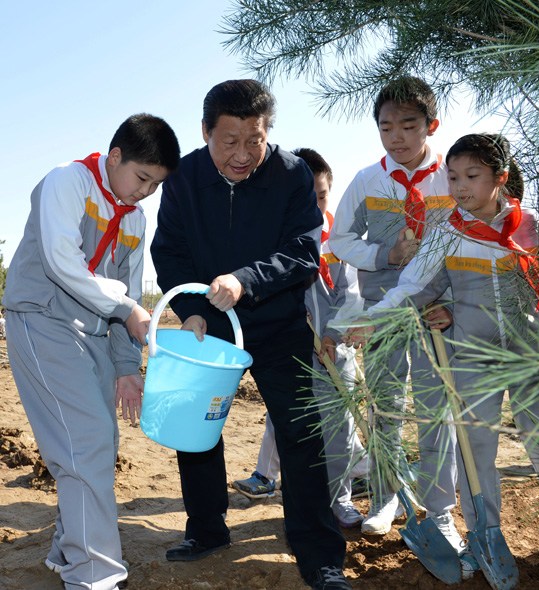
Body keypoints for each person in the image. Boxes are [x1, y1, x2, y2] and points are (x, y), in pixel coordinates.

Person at [345, 132, 539, 571]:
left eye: (472, 176)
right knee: (474, 450)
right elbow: (414, 287)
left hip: (533, 355)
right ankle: (487, 534)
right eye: (453, 177)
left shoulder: (530, 225)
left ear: (500, 179)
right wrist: (373, 317)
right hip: (471, 358)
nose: (460, 187)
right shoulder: (446, 233)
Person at [150, 80, 350, 590]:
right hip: (207, 327)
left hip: (279, 324)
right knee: (199, 432)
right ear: (205, 133)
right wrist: (192, 308)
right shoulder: (186, 177)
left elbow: (305, 250)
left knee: (300, 435)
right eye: (229, 141)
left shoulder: (291, 174)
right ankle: (207, 528)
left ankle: (318, 552)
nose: (242, 154)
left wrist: (246, 280)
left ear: (268, 133)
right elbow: (168, 250)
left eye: (254, 140)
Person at [2, 114, 180, 590]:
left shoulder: (135, 219)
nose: (144, 193)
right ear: (115, 156)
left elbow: (130, 298)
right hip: (43, 320)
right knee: (86, 441)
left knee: (97, 443)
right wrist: (124, 310)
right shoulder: (68, 182)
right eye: (142, 178)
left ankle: (67, 548)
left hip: (94, 333)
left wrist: (127, 367)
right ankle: (94, 576)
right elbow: (64, 264)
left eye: (156, 185)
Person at [328, 77, 461, 547]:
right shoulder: (369, 179)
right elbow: (338, 240)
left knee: (435, 408)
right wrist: (386, 255)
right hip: (380, 315)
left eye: (408, 126)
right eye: (386, 128)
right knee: (386, 405)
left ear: (432, 125)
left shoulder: (453, 177)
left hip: (438, 313)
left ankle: (440, 510)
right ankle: (386, 497)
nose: (397, 138)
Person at [232, 147, 369, 528]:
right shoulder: (275, 242)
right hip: (290, 351)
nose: (313, 203)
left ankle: (340, 499)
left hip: (332, 352)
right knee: (292, 428)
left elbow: (352, 293)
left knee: (339, 428)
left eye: (321, 195)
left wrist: (333, 332)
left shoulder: (340, 242)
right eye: (304, 195)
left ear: (330, 191)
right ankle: (297, 502)